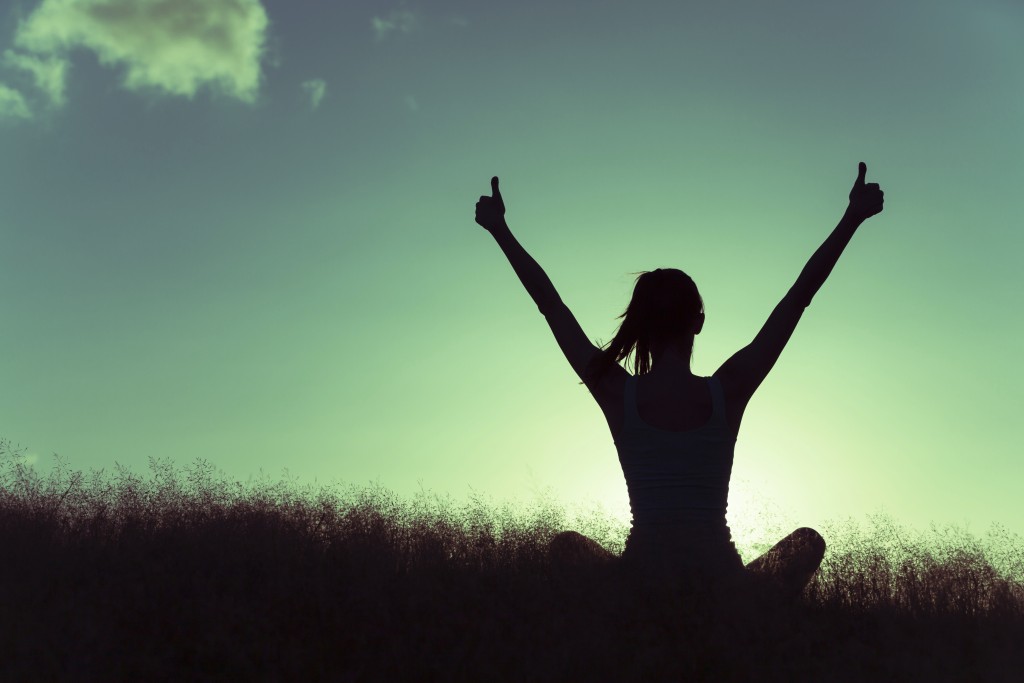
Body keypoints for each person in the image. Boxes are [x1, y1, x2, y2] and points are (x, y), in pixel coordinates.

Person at [472, 164, 884, 601]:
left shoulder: (618, 392)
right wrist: (851, 219)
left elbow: (550, 306)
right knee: (808, 542)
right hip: (722, 591)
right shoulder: (728, 390)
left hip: (640, 588)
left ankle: (630, 628)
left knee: (564, 547)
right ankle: (743, 627)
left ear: (641, 324)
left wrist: (500, 230)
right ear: (698, 322)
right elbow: (798, 298)